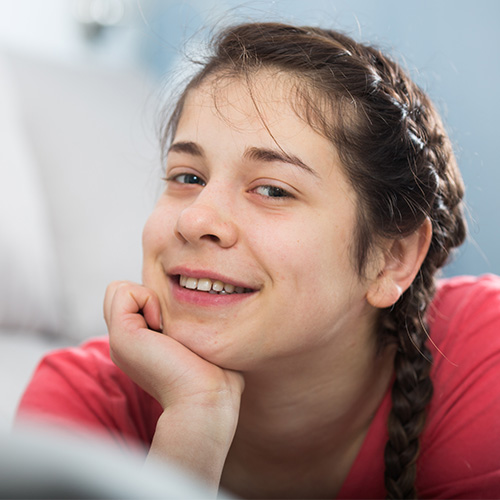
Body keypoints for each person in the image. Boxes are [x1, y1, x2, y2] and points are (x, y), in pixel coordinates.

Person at [16, 22, 500, 499]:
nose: (195, 219)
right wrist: (196, 417)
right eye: (187, 177)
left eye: (271, 189)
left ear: (391, 259)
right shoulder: (78, 405)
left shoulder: (484, 361)